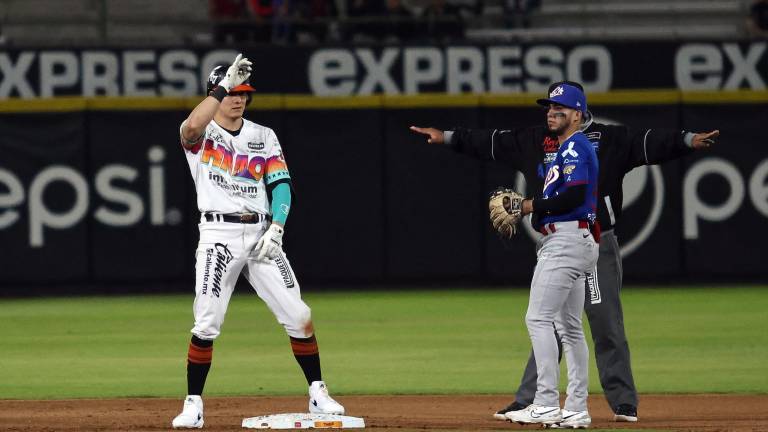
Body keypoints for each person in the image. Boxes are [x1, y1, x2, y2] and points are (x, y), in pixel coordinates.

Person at [410, 81, 718, 423]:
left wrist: (687, 140)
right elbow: (490, 141)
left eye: (559, 108)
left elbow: (648, 143)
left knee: (591, 321)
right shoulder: (538, 140)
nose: (551, 113)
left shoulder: (596, 142)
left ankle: (610, 401)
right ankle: (554, 403)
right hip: (562, 238)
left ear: (577, 113)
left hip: (587, 239)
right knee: (560, 324)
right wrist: (447, 137)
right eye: (549, 107)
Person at [171, 54, 344, 429]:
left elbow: (281, 185)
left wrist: (277, 227)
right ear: (217, 93)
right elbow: (190, 127)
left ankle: (318, 391)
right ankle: (193, 404)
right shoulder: (202, 134)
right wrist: (223, 85)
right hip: (218, 233)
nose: (239, 99)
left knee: (299, 315)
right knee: (207, 320)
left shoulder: (263, 135)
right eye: (233, 92)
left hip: (262, 232)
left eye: (243, 93)